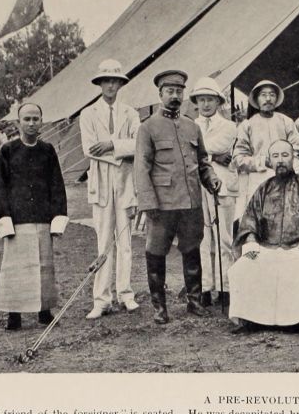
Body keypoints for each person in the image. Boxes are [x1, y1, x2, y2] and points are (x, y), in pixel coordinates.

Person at [134, 70, 221, 324]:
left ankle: (194, 302)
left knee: (192, 249)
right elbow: (141, 167)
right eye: (170, 91)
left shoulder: (191, 126)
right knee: (156, 253)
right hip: (162, 204)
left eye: (179, 91)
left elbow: (203, 161)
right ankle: (159, 308)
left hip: (191, 202)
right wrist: (148, 203)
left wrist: (212, 179)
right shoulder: (148, 127)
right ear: (160, 94)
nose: (175, 96)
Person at [229, 140, 299, 333]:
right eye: (275, 156)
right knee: (244, 266)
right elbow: (250, 218)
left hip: (297, 246)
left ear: (293, 158)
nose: (280, 160)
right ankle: (252, 320)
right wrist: (251, 241)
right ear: (270, 160)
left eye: (285, 155)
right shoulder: (264, 188)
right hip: (266, 245)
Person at [0, 103, 68, 330]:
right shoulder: (8, 151)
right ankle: (14, 314)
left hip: (42, 217)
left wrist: (57, 216)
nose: (32, 123)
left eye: (36, 119)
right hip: (17, 219)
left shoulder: (48, 150)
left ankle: (44, 311)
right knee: (16, 268)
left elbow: (57, 184)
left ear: (41, 121)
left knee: (43, 264)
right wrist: (3, 217)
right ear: (18, 123)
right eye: (27, 119)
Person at [79, 59, 141, 319]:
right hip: (102, 182)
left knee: (125, 240)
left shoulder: (131, 113)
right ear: (100, 84)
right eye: (106, 81)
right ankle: (101, 299)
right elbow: (89, 149)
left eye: (115, 81)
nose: (111, 85)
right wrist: (118, 149)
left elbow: (138, 145)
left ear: (121, 84)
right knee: (104, 240)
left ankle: (126, 294)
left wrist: (112, 145)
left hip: (125, 181)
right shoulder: (88, 114)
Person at [190, 77, 239, 307]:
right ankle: (206, 287)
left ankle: (226, 287)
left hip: (223, 186)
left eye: (210, 99)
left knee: (225, 238)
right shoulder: (190, 125)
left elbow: (216, 147)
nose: (206, 104)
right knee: (203, 239)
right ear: (196, 102)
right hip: (198, 186)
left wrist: (203, 153)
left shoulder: (229, 126)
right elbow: (190, 152)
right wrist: (210, 156)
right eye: (202, 100)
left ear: (218, 102)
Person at [232, 80, 299, 221]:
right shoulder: (247, 125)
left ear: (276, 99)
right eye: (263, 95)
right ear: (257, 99)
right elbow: (239, 158)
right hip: (258, 181)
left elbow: (297, 147)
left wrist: (285, 162)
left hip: (285, 179)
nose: (268, 99)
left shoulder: (286, 122)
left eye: (271, 95)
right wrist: (262, 161)